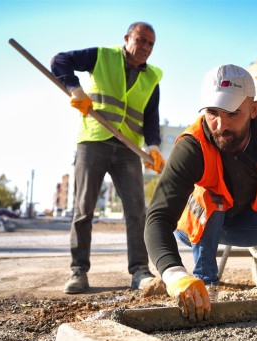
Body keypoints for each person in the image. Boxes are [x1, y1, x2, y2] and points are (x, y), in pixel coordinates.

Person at [144, 64, 257, 321]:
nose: (221, 125)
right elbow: (158, 218)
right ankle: (205, 284)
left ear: (254, 110)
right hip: (195, 226)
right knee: (214, 199)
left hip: (245, 222)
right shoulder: (192, 146)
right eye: (212, 113)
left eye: (232, 113)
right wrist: (174, 274)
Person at [51, 22, 165, 294]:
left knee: (137, 211)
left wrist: (154, 147)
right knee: (83, 209)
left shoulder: (152, 77)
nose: (146, 48)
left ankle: (139, 271)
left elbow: (151, 118)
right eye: (141, 40)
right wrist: (74, 89)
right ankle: (78, 271)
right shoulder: (102, 56)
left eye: (151, 44)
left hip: (128, 149)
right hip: (94, 141)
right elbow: (59, 61)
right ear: (127, 38)